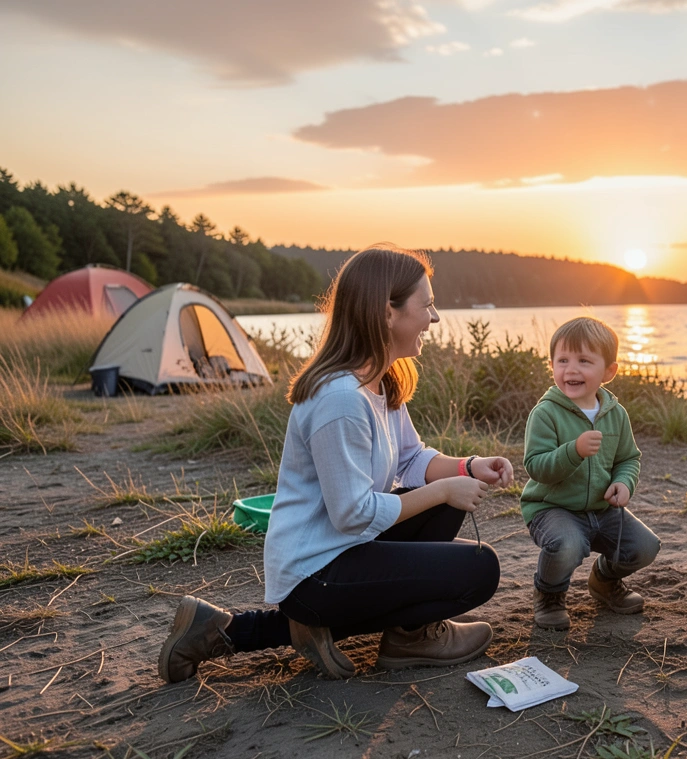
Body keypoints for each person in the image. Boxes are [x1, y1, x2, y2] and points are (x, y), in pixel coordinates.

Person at [158, 245, 511, 683]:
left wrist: (470, 467)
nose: (435, 317)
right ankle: (402, 636)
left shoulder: (379, 379)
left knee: (447, 503)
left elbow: (410, 458)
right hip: (315, 571)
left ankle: (402, 633)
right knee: (481, 568)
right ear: (388, 312)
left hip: (344, 550)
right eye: (428, 305)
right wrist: (442, 490)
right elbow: (353, 514)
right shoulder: (340, 399)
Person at [523, 317, 661, 631]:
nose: (571, 369)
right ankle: (549, 594)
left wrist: (623, 484)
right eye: (563, 360)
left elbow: (628, 459)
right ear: (552, 365)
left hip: (602, 509)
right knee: (567, 545)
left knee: (645, 547)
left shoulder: (616, 414)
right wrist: (573, 451)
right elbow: (536, 466)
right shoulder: (545, 413)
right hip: (552, 509)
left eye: (584, 361)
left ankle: (604, 580)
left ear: (608, 372)